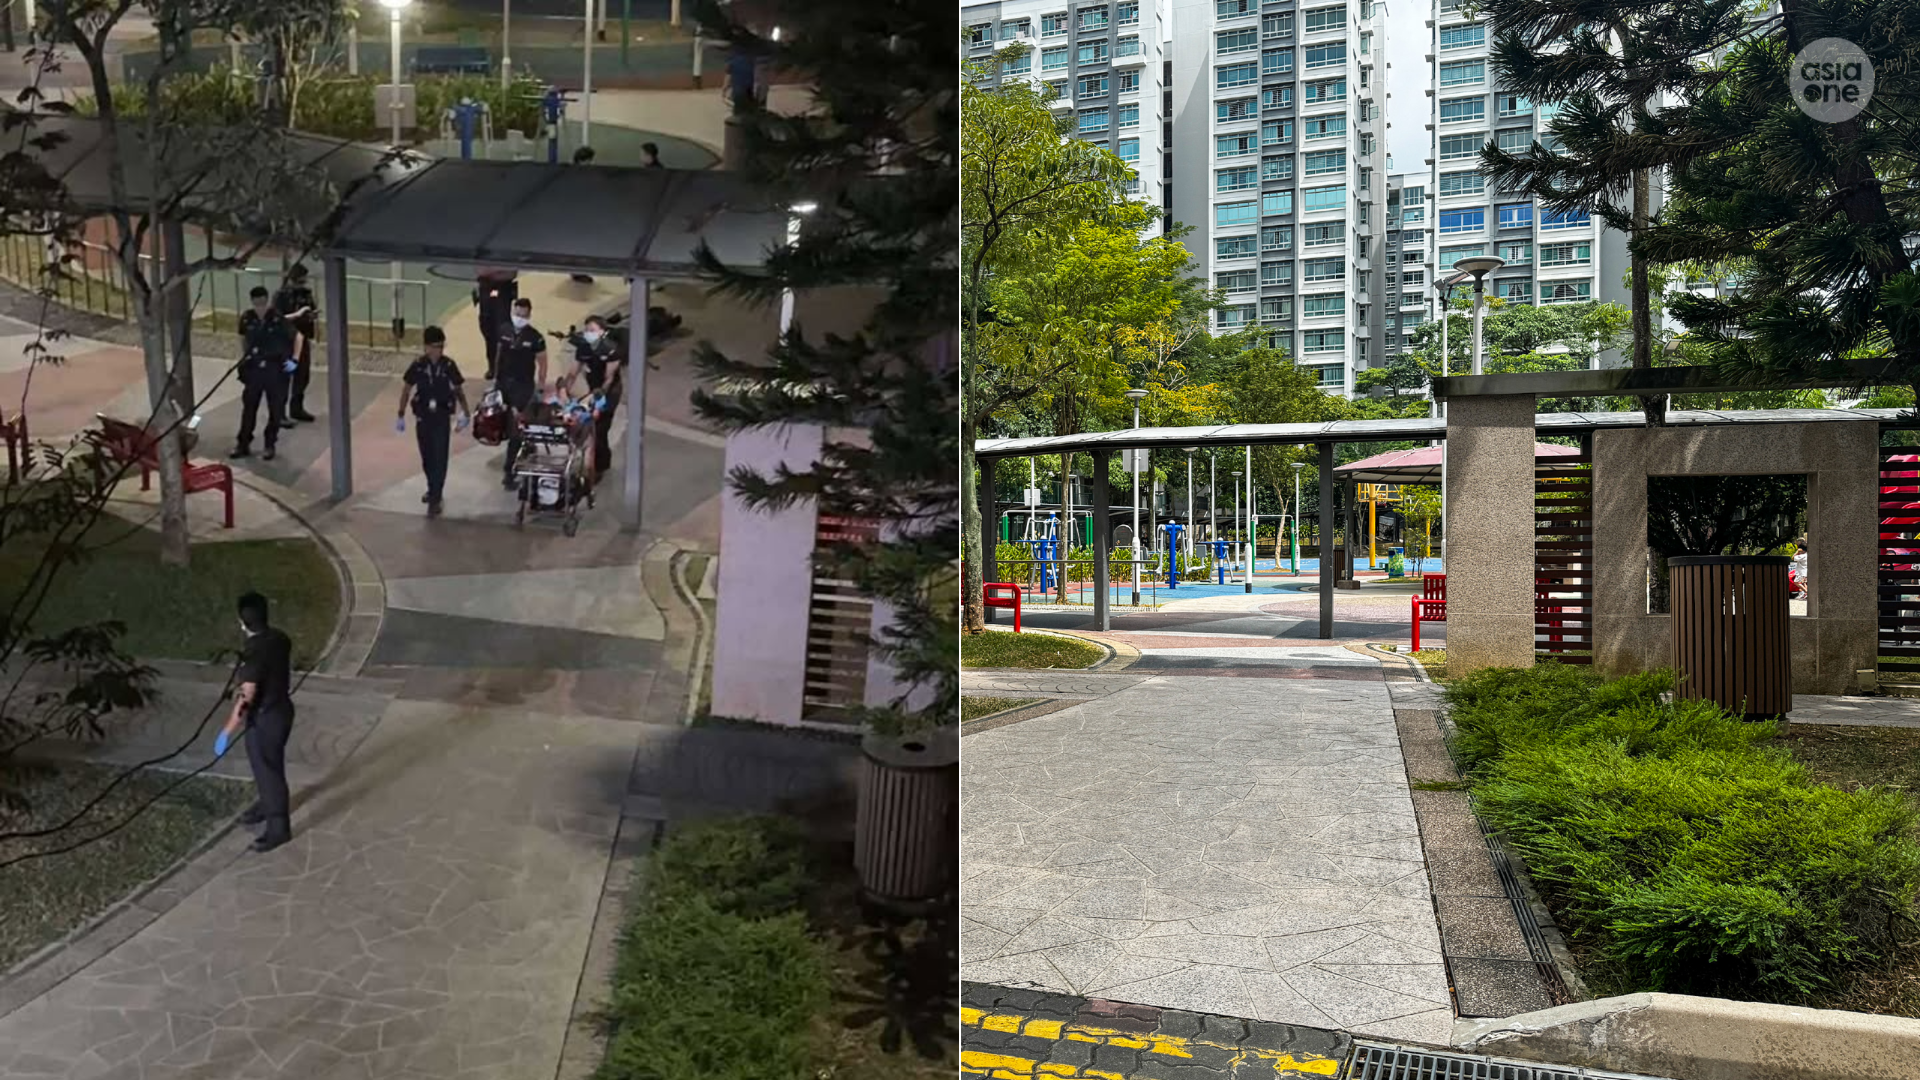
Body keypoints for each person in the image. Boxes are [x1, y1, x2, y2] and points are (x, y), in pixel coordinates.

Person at [215, 592, 297, 853]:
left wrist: (226, 731)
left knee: (268, 770)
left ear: (241, 621)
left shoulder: (254, 655)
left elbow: (246, 697)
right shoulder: (280, 638)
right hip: (283, 710)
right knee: (269, 765)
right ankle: (266, 803)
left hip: (265, 719)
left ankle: (278, 828)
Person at [396, 326, 472, 516]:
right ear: (426, 347)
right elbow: (406, 388)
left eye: (441, 346)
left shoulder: (448, 366)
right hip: (423, 417)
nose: (439, 350)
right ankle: (432, 488)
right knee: (427, 457)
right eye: (435, 346)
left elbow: (458, 389)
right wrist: (400, 413)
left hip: (441, 416)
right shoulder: (419, 365)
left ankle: (436, 497)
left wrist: (466, 412)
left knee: (440, 457)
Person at [232, 286, 300, 461]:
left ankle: (270, 445)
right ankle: (243, 443)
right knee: (249, 407)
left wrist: (294, 360)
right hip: (254, 369)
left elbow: (298, 337)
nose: (259, 307)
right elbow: (242, 337)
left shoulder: (277, 318)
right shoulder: (247, 318)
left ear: (267, 301)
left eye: (262, 303)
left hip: (275, 369)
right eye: (256, 303)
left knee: (275, 409)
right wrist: (245, 357)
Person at [494, 297, 549, 489]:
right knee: (499, 422)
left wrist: (541, 386)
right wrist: (495, 379)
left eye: (523, 315)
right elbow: (499, 354)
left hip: (522, 386)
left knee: (517, 427)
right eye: (517, 314)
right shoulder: (504, 330)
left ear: (529, 315)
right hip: (503, 384)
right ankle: (522, 448)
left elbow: (542, 362)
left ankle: (509, 471)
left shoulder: (535, 337)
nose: (519, 318)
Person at [560, 315, 623, 477]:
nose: (588, 333)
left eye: (592, 330)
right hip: (593, 388)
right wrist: (564, 388)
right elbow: (573, 372)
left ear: (602, 332)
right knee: (587, 425)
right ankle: (597, 460)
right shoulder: (584, 348)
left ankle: (599, 467)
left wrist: (599, 395)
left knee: (600, 429)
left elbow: (609, 378)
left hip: (609, 391)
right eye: (587, 330)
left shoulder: (611, 350)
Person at [272, 263, 319, 424]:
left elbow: (310, 309)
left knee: (303, 375)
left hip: (302, 337)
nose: (302, 284)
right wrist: (297, 315)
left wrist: (311, 316)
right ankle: (279, 414)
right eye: (299, 281)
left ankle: (296, 408)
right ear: (291, 279)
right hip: (286, 340)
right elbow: (277, 318)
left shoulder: (306, 294)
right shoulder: (281, 295)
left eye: (303, 281)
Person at [473, 269, 519, 380]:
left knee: (504, 332)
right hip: (486, 289)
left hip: (503, 290)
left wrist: (491, 273)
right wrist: (497, 272)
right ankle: (492, 367)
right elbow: (479, 271)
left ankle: (506, 368)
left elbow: (511, 272)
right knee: (488, 331)